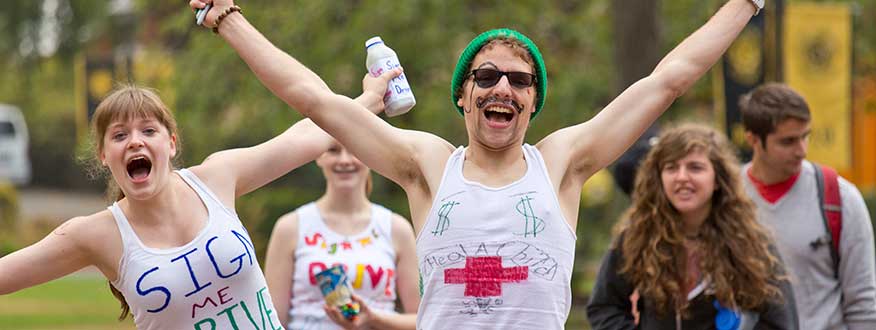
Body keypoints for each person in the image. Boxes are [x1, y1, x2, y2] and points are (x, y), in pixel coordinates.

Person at [190, 0, 763, 327]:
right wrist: (226, 16)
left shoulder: (561, 163)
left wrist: (746, 3)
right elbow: (311, 98)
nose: (503, 89)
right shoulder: (426, 163)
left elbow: (669, 80)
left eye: (520, 80)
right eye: (486, 77)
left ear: (534, 100)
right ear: (463, 95)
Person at [0, 69, 398, 328]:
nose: (135, 140)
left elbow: (302, 138)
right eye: (119, 136)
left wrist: (368, 101)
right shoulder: (95, 234)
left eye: (148, 131)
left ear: (171, 144)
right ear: (105, 156)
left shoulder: (217, 177)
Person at [586, 124, 798, 329]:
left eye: (695, 168)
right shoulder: (637, 236)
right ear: (659, 178)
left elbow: (781, 319)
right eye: (671, 167)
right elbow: (605, 307)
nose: (682, 177)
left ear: (717, 179)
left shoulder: (749, 240)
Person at [739, 83, 876, 329]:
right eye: (788, 141)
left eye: (805, 136)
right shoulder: (728, 196)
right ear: (753, 140)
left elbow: (864, 302)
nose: (802, 150)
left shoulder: (838, 198)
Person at [264, 141, 418, 329]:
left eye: (355, 150)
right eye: (333, 150)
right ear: (318, 156)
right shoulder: (289, 227)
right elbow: (271, 321)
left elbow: (422, 320)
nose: (345, 160)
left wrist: (374, 318)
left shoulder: (397, 228)